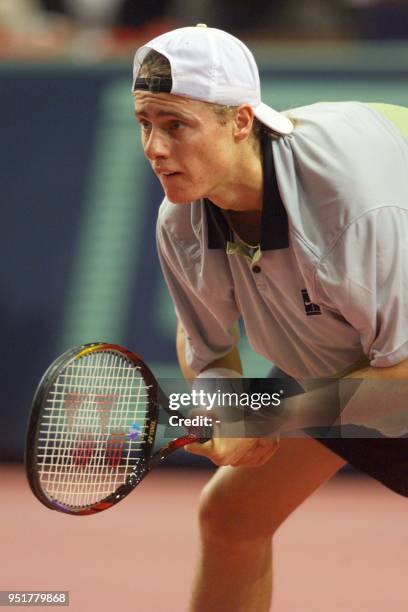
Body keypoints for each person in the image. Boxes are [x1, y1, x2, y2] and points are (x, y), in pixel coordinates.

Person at [132, 24, 408, 612]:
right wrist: (225, 408)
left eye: (175, 124)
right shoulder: (180, 222)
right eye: (145, 123)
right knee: (232, 516)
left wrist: (271, 416)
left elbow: (402, 387)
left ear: (240, 122)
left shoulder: (349, 206)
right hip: (347, 351)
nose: (154, 147)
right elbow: (203, 344)